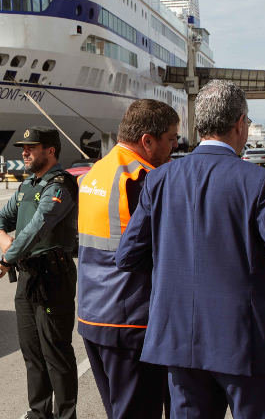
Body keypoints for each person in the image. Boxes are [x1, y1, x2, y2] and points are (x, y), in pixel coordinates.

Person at [115, 80, 265, 419]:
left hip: (179, 341)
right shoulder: (258, 181)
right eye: (247, 123)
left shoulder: (160, 180)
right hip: (247, 343)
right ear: (239, 124)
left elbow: (127, 256)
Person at [77, 99, 178, 419]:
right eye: (172, 139)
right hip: (131, 318)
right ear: (147, 140)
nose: (175, 147)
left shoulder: (96, 172)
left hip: (94, 314)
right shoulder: (142, 177)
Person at [0, 126, 79, 419]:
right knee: (32, 353)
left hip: (54, 277)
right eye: (23, 149)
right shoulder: (27, 186)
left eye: (31, 147)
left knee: (56, 354)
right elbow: (0, 219)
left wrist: (7, 258)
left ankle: (66, 415)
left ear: (50, 151)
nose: (24, 153)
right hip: (28, 277)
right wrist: (3, 238)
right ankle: (39, 413)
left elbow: (37, 228)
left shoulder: (61, 186)